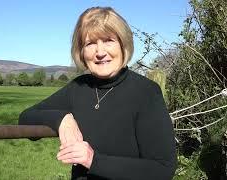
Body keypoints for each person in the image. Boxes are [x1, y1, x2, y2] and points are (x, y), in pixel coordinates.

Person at [19, 6, 177, 180]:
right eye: (90, 43)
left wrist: (93, 160)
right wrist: (62, 119)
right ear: (81, 51)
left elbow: (162, 169)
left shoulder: (146, 93)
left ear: (123, 44)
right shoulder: (78, 88)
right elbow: (26, 117)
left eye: (108, 40)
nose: (100, 52)